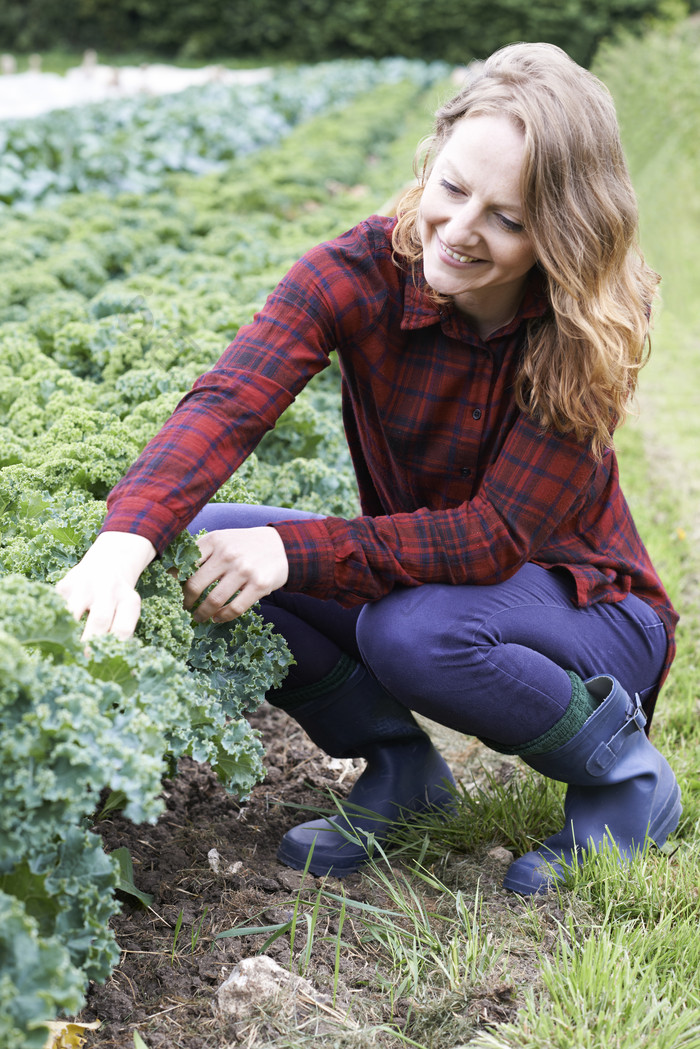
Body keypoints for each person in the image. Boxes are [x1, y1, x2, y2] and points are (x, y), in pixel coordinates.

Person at [56, 41, 682, 895]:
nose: (459, 230)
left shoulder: (580, 333)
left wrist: (294, 551)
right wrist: (121, 543)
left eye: (508, 217)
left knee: (413, 630)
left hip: (589, 609)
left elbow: (491, 538)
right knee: (194, 542)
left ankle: (623, 776)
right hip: (431, 581)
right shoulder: (356, 273)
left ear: (560, 234)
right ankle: (403, 774)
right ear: (433, 159)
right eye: (453, 187)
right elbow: (230, 401)